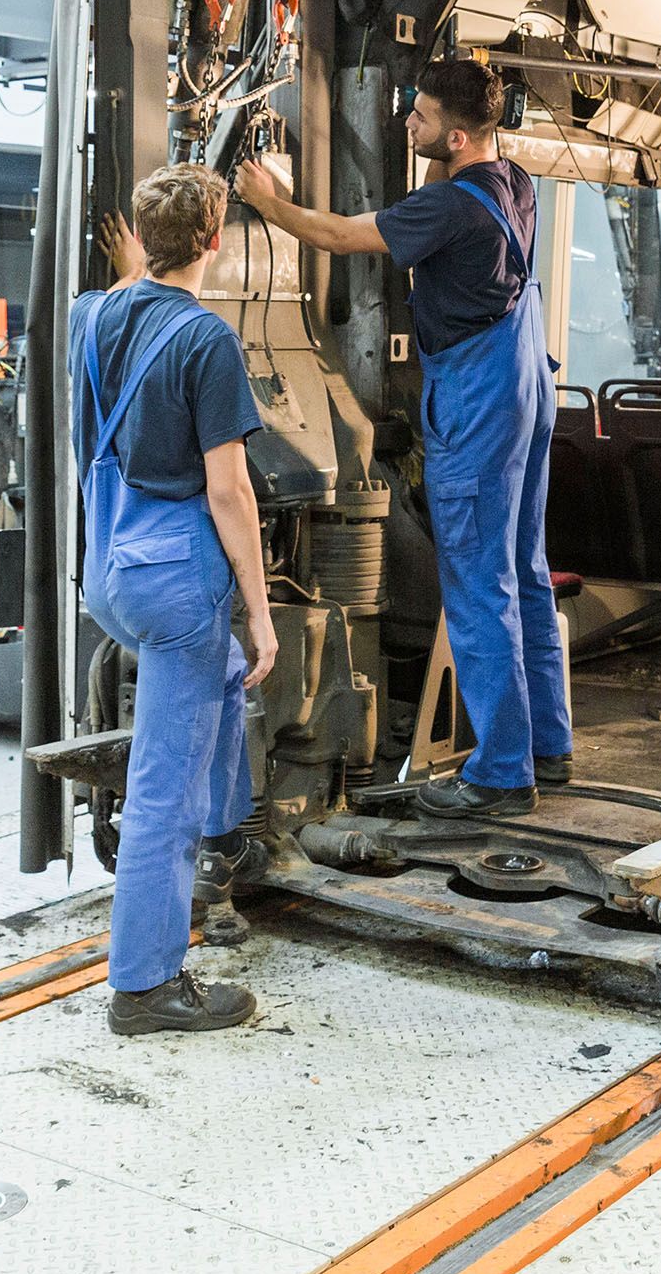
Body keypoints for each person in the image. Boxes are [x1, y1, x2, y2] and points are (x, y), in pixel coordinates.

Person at [234, 56, 572, 818]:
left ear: (455, 135)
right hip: (525, 383)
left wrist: (268, 200)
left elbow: (338, 234)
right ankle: (546, 749)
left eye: (417, 118)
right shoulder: (512, 181)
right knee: (524, 570)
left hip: (480, 400)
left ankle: (500, 775)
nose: (406, 124)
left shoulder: (447, 207)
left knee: (478, 586)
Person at [73, 164, 280, 1037]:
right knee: (165, 790)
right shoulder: (206, 341)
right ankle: (146, 986)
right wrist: (261, 608)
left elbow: (127, 295)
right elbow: (229, 491)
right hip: (176, 577)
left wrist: (138, 264)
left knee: (219, 680)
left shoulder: (93, 314)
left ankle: (229, 831)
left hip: (109, 568)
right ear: (215, 242)